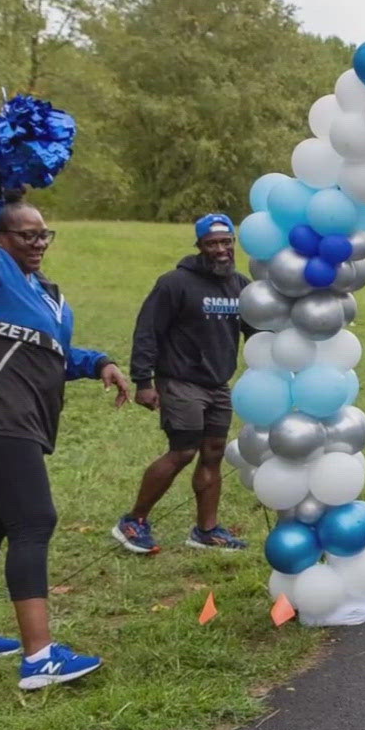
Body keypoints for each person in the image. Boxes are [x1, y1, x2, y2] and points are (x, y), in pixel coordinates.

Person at [0, 179, 132, 690]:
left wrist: (99, 364)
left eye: (45, 234)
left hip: (15, 419)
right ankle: (40, 657)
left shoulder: (47, 297)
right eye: (26, 235)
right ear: (0, 240)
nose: (38, 242)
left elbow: (52, 355)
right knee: (33, 520)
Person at [113, 214, 250, 553]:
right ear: (200, 246)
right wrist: (144, 381)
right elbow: (148, 330)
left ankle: (206, 531)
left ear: (234, 243)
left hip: (218, 383)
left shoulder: (241, 285)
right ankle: (134, 520)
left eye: (226, 242)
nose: (220, 249)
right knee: (183, 450)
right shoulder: (175, 283)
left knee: (213, 453)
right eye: (212, 243)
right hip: (180, 380)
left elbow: (257, 331)